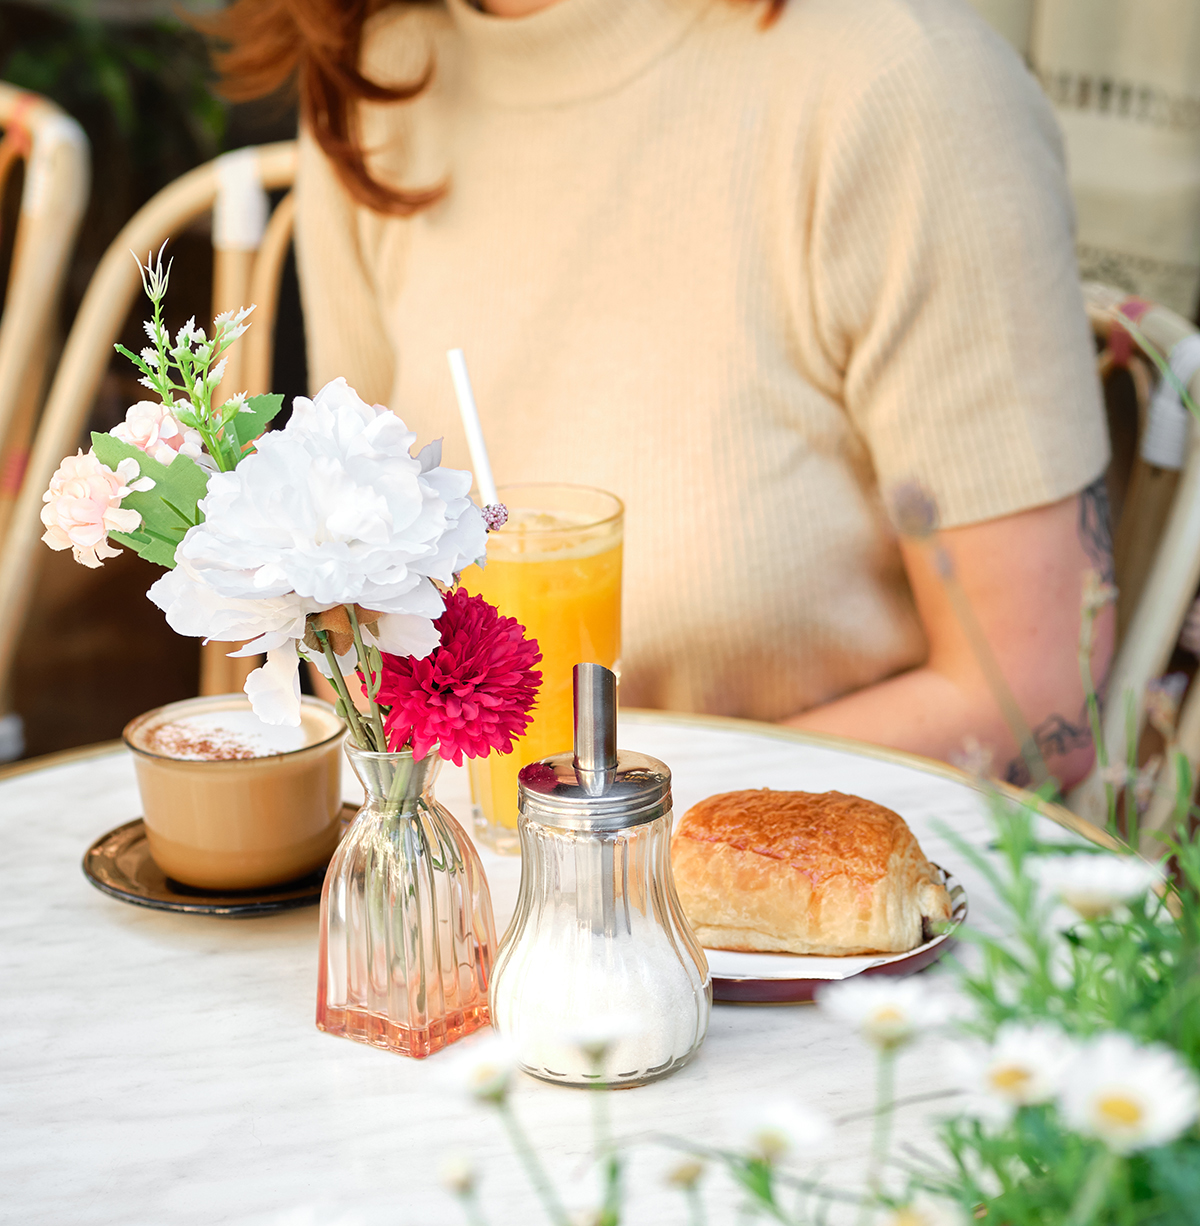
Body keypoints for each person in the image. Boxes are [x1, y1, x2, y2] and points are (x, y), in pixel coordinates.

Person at [209, 0, 1113, 789]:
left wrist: (607, 842)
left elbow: (1035, 698)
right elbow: (359, 645)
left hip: (815, 924)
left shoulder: (903, 80)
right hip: (473, 904)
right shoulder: (377, 81)